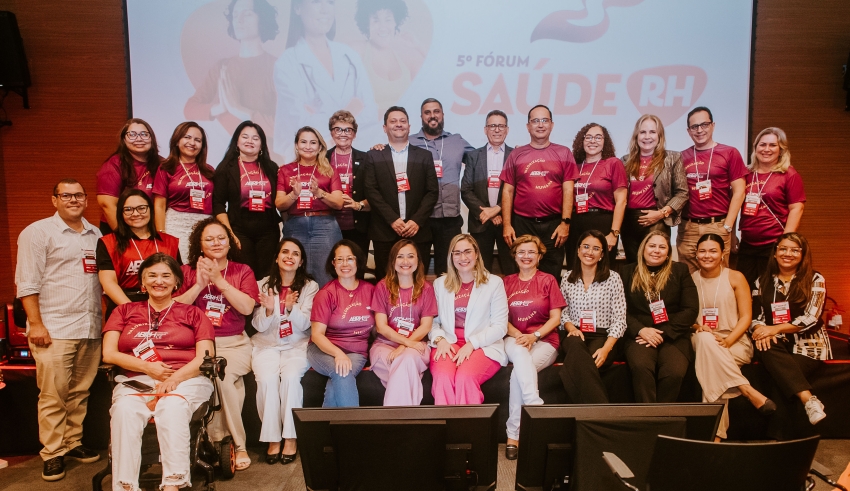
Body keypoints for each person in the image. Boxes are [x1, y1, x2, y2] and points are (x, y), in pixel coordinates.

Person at [102, 253, 215, 491]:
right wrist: (147, 367)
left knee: (172, 406)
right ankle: (125, 486)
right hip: (137, 379)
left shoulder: (193, 313)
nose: (159, 281)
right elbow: (109, 354)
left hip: (186, 378)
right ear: (142, 282)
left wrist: (173, 379)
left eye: (166, 276)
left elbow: (205, 357)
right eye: (152, 275)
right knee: (124, 410)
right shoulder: (124, 311)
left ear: (176, 282)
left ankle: (174, 483)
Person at [15, 179, 103, 481]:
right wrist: (36, 324)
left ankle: (72, 442)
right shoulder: (37, 232)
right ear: (54, 200)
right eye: (66, 195)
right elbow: (27, 282)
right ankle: (52, 452)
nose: (73, 200)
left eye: (78, 195)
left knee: (79, 391)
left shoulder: (95, 234)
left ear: (86, 200)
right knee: (53, 394)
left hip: (90, 327)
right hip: (54, 328)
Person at [174, 217, 258, 471]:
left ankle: (233, 444)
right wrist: (199, 285)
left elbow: (247, 308)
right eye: (209, 239)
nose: (216, 243)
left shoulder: (242, 271)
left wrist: (219, 280)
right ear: (199, 245)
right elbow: (173, 309)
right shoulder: (187, 271)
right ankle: (220, 444)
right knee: (229, 384)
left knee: (220, 376)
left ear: (230, 242)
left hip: (234, 344)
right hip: (198, 346)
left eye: (221, 238)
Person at [691, 233, 776, 440]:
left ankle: (715, 438)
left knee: (713, 370)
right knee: (705, 339)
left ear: (722, 253)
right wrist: (698, 326)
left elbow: (746, 317)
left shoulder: (735, 277)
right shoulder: (691, 279)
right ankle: (746, 390)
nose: (707, 255)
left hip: (735, 340)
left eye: (713, 251)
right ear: (696, 254)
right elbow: (687, 317)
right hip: (702, 338)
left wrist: (728, 341)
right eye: (702, 251)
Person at [273, 0, 381, 160]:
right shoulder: (287, 63)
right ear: (297, 8)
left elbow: (370, 111)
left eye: (330, 2)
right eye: (316, 2)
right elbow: (302, 124)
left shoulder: (349, 55)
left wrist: (321, 115)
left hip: (356, 156)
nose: (325, 10)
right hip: (311, 160)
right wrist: (352, 109)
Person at [184, 0, 281, 161]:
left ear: (262, 19)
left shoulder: (277, 68)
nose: (239, 20)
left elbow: (284, 126)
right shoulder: (222, 67)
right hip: (230, 162)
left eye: (247, 14)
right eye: (235, 15)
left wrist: (240, 110)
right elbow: (190, 108)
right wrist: (220, 108)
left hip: (268, 161)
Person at [751, 232, 831, 425]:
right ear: (775, 252)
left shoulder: (815, 279)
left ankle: (779, 436)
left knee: (782, 375)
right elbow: (755, 318)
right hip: (774, 344)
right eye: (783, 249)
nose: (788, 254)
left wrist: (774, 329)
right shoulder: (761, 281)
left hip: (808, 345)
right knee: (767, 347)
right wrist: (761, 329)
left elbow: (811, 317)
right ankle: (809, 400)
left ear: (803, 255)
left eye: (795, 250)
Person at [252, 238, 319, 464]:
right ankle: (272, 438)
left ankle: (291, 437)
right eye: (285, 252)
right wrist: (269, 311)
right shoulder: (262, 285)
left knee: (290, 378)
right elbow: (258, 325)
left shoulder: (310, 286)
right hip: (266, 345)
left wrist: (291, 308)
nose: (290, 257)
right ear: (277, 257)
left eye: (295, 254)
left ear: (301, 261)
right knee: (267, 381)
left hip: (296, 345)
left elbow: (306, 324)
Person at [502, 235, 565, 460]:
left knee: (517, 375)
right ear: (514, 256)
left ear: (539, 256)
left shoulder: (548, 280)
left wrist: (534, 336)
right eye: (521, 252)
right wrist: (520, 336)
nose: (526, 256)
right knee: (520, 355)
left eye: (531, 252)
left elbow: (556, 318)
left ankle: (513, 435)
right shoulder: (506, 282)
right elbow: (500, 318)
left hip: (545, 340)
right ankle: (536, 407)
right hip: (514, 338)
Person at [429, 234, 508, 405]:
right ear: (451, 256)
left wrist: (472, 344)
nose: (462, 257)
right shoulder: (440, 284)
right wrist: (440, 340)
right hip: (448, 343)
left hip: (483, 345)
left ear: (477, 254)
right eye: (457, 253)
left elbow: (500, 326)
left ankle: (468, 423)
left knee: (465, 377)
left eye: (467, 252)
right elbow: (433, 322)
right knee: (443, 377)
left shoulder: (494, 283)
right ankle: (446, 421)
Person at [621, 231, 699, 403]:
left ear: (668, 252)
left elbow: (690, 310)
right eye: (652, 246)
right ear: (643, 249)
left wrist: (662, 333)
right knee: (641, 368)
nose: (656, 250)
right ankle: (648, 415)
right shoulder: (627, 272)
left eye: (662, 247)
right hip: (640, 335)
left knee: (674, 372)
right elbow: (620, 310)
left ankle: (664, 414)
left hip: (673, 334)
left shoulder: (680, 270)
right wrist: (641, 330)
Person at [501, 105, 578, 279]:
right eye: (535, 121)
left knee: (552, 275)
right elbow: (508, 191)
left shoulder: (564, 153)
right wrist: (507, 225)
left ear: (552, 125)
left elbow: (568, 189)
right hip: (523, 224)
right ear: (528, 126)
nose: (540, 125)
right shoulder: (516, 154)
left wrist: (565, 223)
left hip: (554, 225)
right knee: (522, 273)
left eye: (545, 120)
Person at [363, 106, 439, 279]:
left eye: (403, 121)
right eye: (393, 121)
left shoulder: (424, 156)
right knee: (385, 281)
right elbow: (371, 191)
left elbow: (432, 192)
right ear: (385, 128)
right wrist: (392, 219)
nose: (398, 124)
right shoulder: (373, 156)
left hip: (417, 231)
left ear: (409, 127)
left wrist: (416, 221)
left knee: (417, 280)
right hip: (384, 231)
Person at [409, 98, 476, 276]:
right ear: (421, 117)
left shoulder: (457, 140)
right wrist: (378, 147)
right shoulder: (409, 142)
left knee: (448, 273)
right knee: (416, 271)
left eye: (436, 111)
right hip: (420, 218)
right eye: (427, 112)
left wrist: (513, 152)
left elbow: (480, 159)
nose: (432, 116)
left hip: (450, 218)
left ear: (443, 115)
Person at [558, 230, 626, 405]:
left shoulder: (613, 278)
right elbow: (562, 312)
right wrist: (571, 328)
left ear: (602, 254)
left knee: (582, 362)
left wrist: (606, 349)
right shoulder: (567, 278)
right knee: (575, 348)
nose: (590, 252)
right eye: (586, 247)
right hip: (574, 332)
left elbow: (620, 319)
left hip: (603, 336)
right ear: (578, 250)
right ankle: (600, 410)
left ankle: (589, 410)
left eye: (596, 249)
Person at [677, 106, 747, 273]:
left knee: (718, 277)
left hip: (718, 225)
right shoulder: (681, 157)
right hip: (688, 228)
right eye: (694, 126)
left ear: (713, 125)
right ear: (688, 131)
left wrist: (727, 226)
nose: (700, 130)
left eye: (704, 125)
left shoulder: (730, 153)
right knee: (688, 277)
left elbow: (739, 192)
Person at [308, 240, 375, 407]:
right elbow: (317, 335)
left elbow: (378, 326)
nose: (345, 264)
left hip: (356, 352)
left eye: (350, 259)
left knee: (336, 384)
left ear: (358, 261)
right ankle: (353, 423)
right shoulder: (326, 293)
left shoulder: (370, 290)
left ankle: (326, 424)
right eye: (340, 259)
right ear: (333, 263)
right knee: (342, 373)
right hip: (323, 350)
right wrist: (338, 354)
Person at [369, 240, 437, 405]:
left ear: (418, 260)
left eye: (410, 256)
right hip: (384, 346)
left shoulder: (426, 288)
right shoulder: (382, 287)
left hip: (416, 346)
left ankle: (395, 418)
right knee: (406, 369)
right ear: (393, 261)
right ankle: (408, 416)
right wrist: (405, 343)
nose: (405, 261)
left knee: (406, 360)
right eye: (400, 257)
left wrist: (404, 346)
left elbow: (426, 326)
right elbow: (381, 327)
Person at [275, 126, 344, 286]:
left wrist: (319, 193)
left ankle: (325, 303)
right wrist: (294, 195)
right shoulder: (285, 170)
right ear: (296, 145)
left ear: (320, 147)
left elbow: (338, 203)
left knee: (326, 274)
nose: (308, 146)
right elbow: (279, 204)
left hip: (325, 226)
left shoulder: (329, 170)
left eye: (313, 143)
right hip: (296, 225)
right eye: (303, 142)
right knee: (295, 273)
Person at [737, 128, 806, 287]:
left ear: (781, 149)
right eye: (762, 145)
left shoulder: (789, 174)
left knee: (769, 290)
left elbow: (797, 208)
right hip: (747, 244)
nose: (766, 149)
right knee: (745, 289)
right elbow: (735, 203)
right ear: (755, 147)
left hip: (773, 244)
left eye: (773, 145)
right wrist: (734, 236)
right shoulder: (746, 173)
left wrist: (785, 243)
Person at [97, 189, 180, 320]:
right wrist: (133, 310)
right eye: (128, 209)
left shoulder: (170, 242)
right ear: (121, 213)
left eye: (141, 208)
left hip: (164, 308)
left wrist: (165, 309)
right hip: (124, 307)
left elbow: (178, 279)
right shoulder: (108, 242)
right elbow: (108, 282)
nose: (135, 214)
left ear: (150, 209)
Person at [212, 121, 280, 279]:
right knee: (244, 276)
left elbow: (280, 199)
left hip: (268, 231)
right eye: (245, 137)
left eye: (255, 138)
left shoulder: (271, 167)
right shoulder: (225, 168)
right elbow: (218, 204)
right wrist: (229, 233)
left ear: (262, 144)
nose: (250, 141)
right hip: (239, 230)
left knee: (267, 276)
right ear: (237, 141)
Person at [620, 114, 688, 264]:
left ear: (660, 136)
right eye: (643, 132)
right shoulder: (625, 161)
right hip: (629, 222)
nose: (647, 136)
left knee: (656, 266)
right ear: (636, 135)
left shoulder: (672, 158)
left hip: (657, 220)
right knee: (633, 266)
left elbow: (682, 193)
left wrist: (661, 213)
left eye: (652, 132)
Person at [564, 123, 627, 269]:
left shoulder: (613, 163)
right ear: (582, 141)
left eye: (598, 137)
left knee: (602, 269)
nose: (593, 141)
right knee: (575, 268)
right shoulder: (575, 165)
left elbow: (621, 201)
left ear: (605, 142)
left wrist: (614, 233)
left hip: (602, 222)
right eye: (589, 137)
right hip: (576, 222)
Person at [461, 109, 515, 275]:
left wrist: (498, 209)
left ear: (507, 130)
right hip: (481, 222)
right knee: (480, 272)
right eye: (492, 126)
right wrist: (489, 214)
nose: (496, 130)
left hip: (508, 223)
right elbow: (466, 189)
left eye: (501, 126)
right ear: (485, 130)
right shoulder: (473, 156)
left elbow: (519, 190)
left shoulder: (515, 155)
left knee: (511, 270)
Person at [152, 122, 215, 262]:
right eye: (187, 137)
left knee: (205, 265)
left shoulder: (209, 170)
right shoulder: (166, 168)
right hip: (176, 225)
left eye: (197, 140)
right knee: (180, 267)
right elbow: (159, 205)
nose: (192, 143)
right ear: (177, 141)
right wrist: (161, 234)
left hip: (205, 225)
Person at [353, 0, 425, 115]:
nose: (383, 27)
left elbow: (434, 81)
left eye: (388, 20)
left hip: (403, 125)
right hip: (369, 126)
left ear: (396, 22)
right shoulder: (358, 50)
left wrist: (418, 46)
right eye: (376, 20)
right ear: (367, 23)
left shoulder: (406, 55)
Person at [96, 118, 161, 234]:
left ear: (151, 138)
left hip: (152, 227)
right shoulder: (113, 165)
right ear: (124, 139)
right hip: (119, 229)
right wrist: (126, 237)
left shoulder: (162, 164)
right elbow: (107, 205)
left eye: (144, 134)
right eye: (132, 134)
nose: (139, 139)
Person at [327, 110, 371, 255]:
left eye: (348, 130)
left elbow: (374, 193)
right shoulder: (322, 158)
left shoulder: (366, 159)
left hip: (358, 227)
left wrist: (358, 205)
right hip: (328, 226)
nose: (343, 134)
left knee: (357, 264)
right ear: (331, 133)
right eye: (338, 129)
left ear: (354, 134)